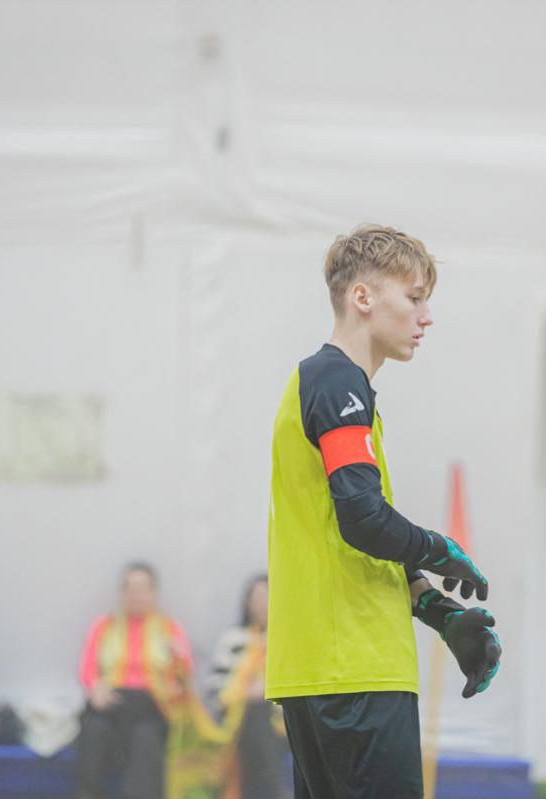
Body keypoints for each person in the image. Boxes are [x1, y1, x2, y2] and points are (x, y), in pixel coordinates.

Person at [266, 224, 503, 799]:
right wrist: (440, 549)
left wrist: (436, 610)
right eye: (415, 297)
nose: (427, 317)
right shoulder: (336, 381)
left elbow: (350, 532)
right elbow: (364, 520)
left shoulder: (332, 387)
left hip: (325, 670)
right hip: (355, 671)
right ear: (363, 297)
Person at [75, 561, 194, 799]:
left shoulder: (168, 628)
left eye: (142, 590)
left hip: (152, 705)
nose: (136, 596)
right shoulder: (105, 626)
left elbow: (185, 675)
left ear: (153, 593)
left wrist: (178, 657)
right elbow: (88, 670)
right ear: (122, 593)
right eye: (130, 589)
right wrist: (96, 690)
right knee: (93, 729)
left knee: (145, 736)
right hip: (113, 702)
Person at [204, 574, 289, 799]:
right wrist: (244, 693)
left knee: (261, 716)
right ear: (247, 603)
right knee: (255, 718)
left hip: (282, 722)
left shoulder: (287, 638)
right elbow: (214, 687)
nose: (262, 603)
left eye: (267, 596)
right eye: (256, 597)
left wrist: (266, 691)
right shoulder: (232, 640)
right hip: (237, 719)